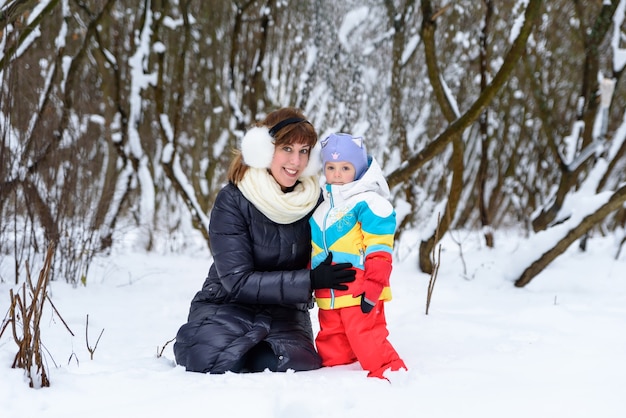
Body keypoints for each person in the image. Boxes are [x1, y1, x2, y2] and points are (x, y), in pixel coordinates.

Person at [173, 108, 356, 374]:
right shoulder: (233, 200)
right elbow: (236, 281)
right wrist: (311, 281)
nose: (296, 161)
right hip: (227, 303)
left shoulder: (316, 202)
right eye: (287, 148)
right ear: (265, 149)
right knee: (213, 358)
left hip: (286, 313)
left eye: (304, 151)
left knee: (285, 364)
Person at [310, 132, 407, 379]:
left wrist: (374, 286)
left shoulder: (368, 203)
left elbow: (379, 249)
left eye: (345, 167)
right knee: (332, 342)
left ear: (360, 169)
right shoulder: (321, 208)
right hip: (328, 296)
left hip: (360, 291)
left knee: (367, 337)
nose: (337, 174)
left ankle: (390, 372)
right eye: (331, 167)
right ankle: (335, 379)